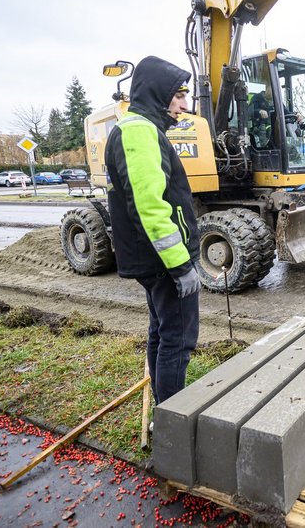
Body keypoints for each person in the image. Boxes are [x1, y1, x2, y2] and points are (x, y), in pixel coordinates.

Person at [105, 56, 201, 405]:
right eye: (177, 96)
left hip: (154, 261)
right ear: (158, 94)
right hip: (163, 262)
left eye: (185, 96)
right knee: (178, 338)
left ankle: (165, 407)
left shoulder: (139, 128)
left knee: (162, 331)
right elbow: (150, 206)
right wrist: (180, 265)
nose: (185, 105)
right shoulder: (140, 131)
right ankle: (174, 418)